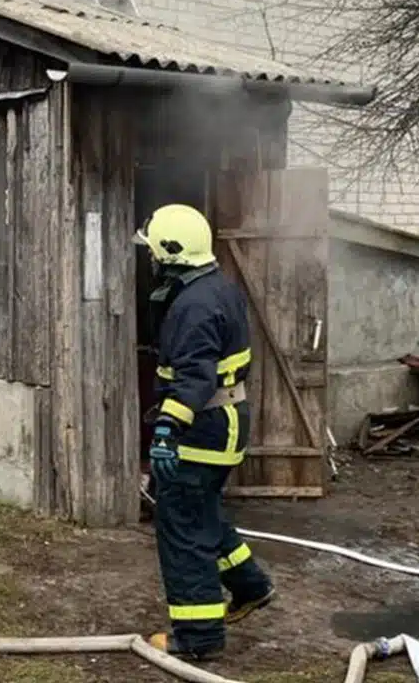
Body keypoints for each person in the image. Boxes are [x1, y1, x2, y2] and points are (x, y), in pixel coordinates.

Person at [133, 203, 275, 663]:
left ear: (170, 253)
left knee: (180, 528)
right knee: (202, 511)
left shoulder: (192, 307)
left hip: (203, 430)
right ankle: (250, 584)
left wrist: (166, 431)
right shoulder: (218, 288)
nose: (149, 259)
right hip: (226, 425)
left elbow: (194, 379)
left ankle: (197, 636)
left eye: (153, 251)